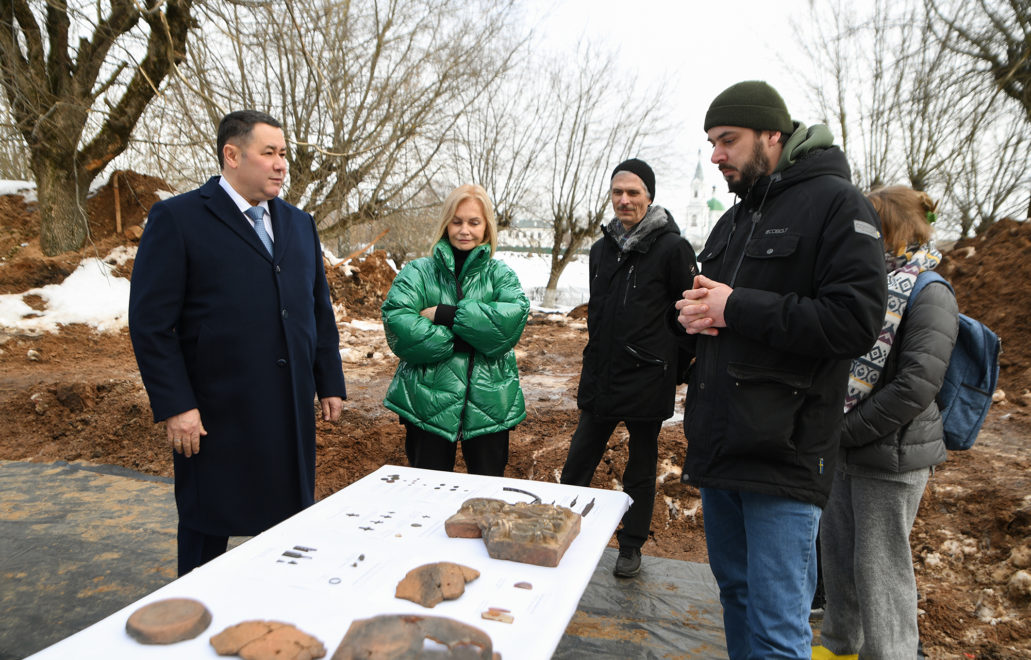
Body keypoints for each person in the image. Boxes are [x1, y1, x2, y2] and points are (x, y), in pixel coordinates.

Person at [675, 81, 888, 658]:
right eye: (711, 143)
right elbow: (725, 313)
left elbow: (854, 321)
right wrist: (693, 316)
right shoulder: (734, 219)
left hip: (784, 454)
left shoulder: (837, 205)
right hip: (721, 450)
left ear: (773, 134)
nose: (716, 155)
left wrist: (734, 307)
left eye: (728, 140)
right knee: (737, 599)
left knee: (776, 627)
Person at [128, 110, 346, 576]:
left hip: (288, 410)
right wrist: (177, 406)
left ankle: (280, 607)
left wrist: (329, 379)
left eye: (283, 154)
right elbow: (151, 325)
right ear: (232, 155)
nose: (281, 164)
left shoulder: (299, 223)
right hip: (215, 415)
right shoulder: (179, 218)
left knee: (287, 533)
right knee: (207, 529)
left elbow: (317, 309)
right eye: (269, 153)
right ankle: (195, 609)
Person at [814, 187, 958, 660]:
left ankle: (890, 653)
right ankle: (838, 648)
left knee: (880, 570)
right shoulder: (869, 285)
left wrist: (842, 430)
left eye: (868, 224)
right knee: (839, 560)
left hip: (893, 456)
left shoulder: (930, 291)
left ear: (892, 229)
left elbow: (916, 386)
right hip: (846, 448)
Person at [560, 158, 698, 579]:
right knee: (577, 463)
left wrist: (672, 365)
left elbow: (688, 315)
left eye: (633, 192)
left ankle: (631, 545)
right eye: (617, 192)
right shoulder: (601, 250)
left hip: (647, 378)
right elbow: (597, 314)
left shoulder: (673, 249)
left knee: (640, 467)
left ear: (649, 197)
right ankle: (557, 530)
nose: (624, 200)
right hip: (602, 375)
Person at [381, 184, 529, 476]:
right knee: (427, 489)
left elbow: (509, 326)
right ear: (446, 224)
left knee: (487, 493)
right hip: (427, 402)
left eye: (474, 222)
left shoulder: (501, 275)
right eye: (457, 221)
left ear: (486, 227)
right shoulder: (418, 272)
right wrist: (471, 338)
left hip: (490, 403)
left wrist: (444, 314)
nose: (464, 230)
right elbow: (398, 323)